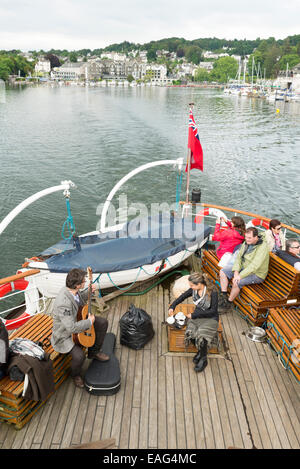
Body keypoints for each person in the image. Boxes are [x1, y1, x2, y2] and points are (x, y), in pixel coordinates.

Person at [51, 268, 109, 388]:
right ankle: (75, 375)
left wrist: (89, 292)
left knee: (103, 323)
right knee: (79, 356)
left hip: (78, 320)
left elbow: (79, 300)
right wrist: (88, 322)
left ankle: (94, 352)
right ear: (77, 285)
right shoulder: (63, 302)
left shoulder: (73, 290)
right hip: (65, 334)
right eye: (83, 281)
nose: (85, 282)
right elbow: (71, 328)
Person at [168, 272, 219, 373]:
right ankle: (200, 352)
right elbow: (182, 297)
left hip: (210, 318)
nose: (190, 287)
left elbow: (213, 311)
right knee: (190, 333)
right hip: (197, 315)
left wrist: (193, 315)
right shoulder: (194, 290)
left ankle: (204, 359)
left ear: (199, 284)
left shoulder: (213, 292)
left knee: (202, 336)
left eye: (192, 285)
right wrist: (172, 306)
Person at [219, 227, 270, 311]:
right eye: (246, 237)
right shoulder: (246, 243)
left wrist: (239, 276)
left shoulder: (262, 247)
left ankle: (228, 303)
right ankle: (224, 295)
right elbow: (239, 257)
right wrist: (236, 271)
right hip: (244, 267)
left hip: (257, 274)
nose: (246, 239)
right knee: (223, 272)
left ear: (256, 237)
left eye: (249, 238)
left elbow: (255, 265)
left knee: (237, 282)